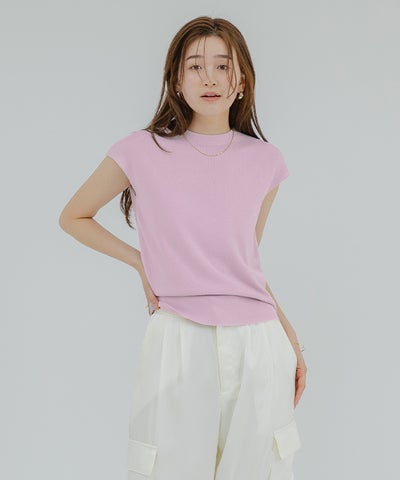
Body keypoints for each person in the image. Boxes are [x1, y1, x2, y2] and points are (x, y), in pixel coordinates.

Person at [59, 15, 307, 480]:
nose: (209, 78)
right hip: (178, 336)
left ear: (241, 80)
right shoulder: (140, 150)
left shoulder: (266, 161)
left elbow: (245, 261)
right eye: (195, 66)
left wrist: (290, 339)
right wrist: (141, 263)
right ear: (176, 79)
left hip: (259, 341)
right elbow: (73, 216)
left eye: (222, 65)